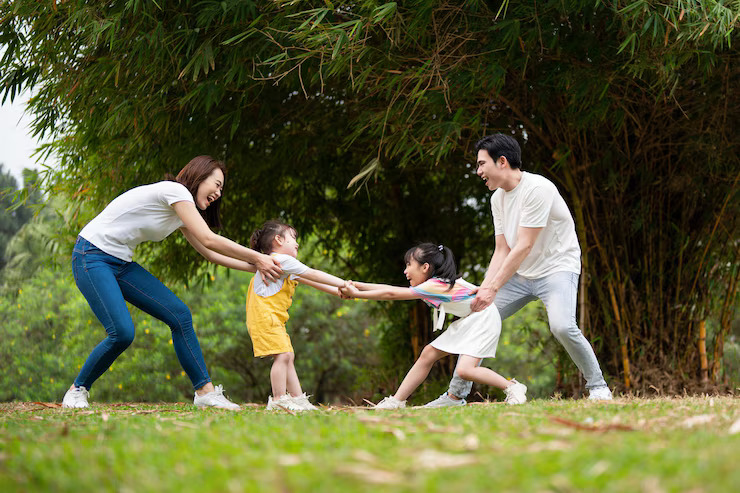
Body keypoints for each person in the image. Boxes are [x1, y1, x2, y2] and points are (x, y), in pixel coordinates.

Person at [62, 156, 283, 410]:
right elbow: (209, 240)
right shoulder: (175, 190)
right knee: (122, 333)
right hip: (91, 255)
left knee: (179, 315)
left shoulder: (182, 210)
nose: (219, 193)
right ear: (200, 175)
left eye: (222, 189)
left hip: (120, 262)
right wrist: (258, 257)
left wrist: (257, 268)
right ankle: (77, 390)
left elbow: (209, 253)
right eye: (217, 184)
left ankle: (205, 393)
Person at [424, 134, 612, 408]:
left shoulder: (538, 189)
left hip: (557, 268)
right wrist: (483, 290)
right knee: (477, 317)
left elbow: (524, 245)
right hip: (520, 274)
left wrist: (492, 288)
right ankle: (455, 396)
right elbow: (502, 249)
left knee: (561, 325)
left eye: (481, 164)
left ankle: (599, 388)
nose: (478, 172)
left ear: (502, 162)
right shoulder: (497, 199)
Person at [339, 243, 528, 409]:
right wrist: (357, 286)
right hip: (472, 319)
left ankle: (513, 387)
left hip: (483, 319)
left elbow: (392, 294)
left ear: (425, 267)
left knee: (465, 370)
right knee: (428, 354)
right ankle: (396, 401)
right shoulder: (436, 284)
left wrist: (357, 293)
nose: (405, 271)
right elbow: (391, 289)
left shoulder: (436, 285)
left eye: (408, 265)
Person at [247, 220, 348, 412]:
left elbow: (312, 281)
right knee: (283, 355)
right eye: (293, 238)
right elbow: (314, 273)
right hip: (265, 317)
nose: (297, 243)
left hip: (272, 318)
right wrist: (343, 283)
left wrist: (338, 291)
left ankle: (298, 399)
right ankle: (278, 399)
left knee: (288, 355)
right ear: (278, 240)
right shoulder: (280, 259)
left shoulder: (282, 266)